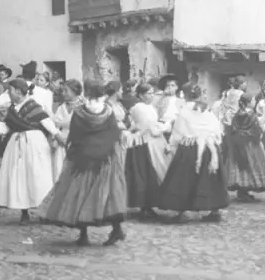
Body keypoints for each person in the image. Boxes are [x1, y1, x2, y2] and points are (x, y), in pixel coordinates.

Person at [36, 80, 128, 246]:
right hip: (106, 157)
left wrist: (72, 150)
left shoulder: (80, 111)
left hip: (83, 156)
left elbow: (75, 134)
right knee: (108, 193)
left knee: (79, 193)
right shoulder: (108, 111)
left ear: (86, 93)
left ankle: (83, 234)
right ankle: (116, 229)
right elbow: (114, 133)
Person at [0, 78, 65, 224]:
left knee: (38, 176)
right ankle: (24, 211)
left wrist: (59, 137)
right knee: (20, 177)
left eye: (10, 91)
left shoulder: (33, 106)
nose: (9, 93)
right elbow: (7, 125)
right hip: (17, 145)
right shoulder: (12, 109)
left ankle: (46, 210)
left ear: (19, 92)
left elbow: (47, 123)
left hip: (35, 145)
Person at [157, 83, 229, 223]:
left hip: (190, 147)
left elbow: (178, 132)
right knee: (209, 178)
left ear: (185, 95)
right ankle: (214, 210)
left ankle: (181, 210)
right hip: (208, 146)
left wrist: (172, 145)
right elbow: (217, 128)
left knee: (184, 177)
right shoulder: (207, 110)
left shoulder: (184, 111)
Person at [125, 82, 169, 218]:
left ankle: (150, 204)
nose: (152, 96)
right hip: (147, 143)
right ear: (141, 95)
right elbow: (150, 128)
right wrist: (166, 126)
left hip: (155, 141)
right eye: (149, 93)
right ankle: (145, 205)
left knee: (155, 172)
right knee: (148, 172)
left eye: (152, 93)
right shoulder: (140, 108)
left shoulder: (149, 107)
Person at [225, 92, 265, 201]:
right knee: (251, 164)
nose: (255, 102)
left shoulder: (238, 113)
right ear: (249, 102)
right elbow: (256, 129)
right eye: (253, 100)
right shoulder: (251, 114)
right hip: (250, 143)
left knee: (239, 165)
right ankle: (245, 189)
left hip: (238, 142)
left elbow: (233, 128)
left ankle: (242, 190)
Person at [52, 79, 85, 179]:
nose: (63, 93)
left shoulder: (83, 106)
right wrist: (58, 137)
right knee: (59, 171)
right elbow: (55, 125)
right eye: (63, 90)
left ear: (75, 91)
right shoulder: (61, 107)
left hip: (78, 142)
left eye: (66, 90)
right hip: (62, 141)